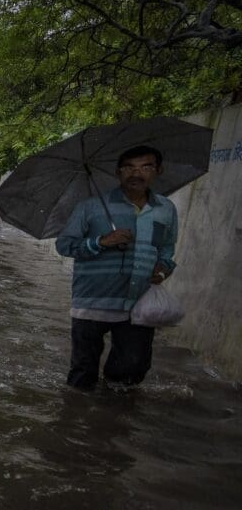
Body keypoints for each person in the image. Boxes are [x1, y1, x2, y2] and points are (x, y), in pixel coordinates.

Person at [54, 144, 177, 390]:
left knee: (131, 372)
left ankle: (111, 420)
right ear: (118, 173)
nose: (136, 173)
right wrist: (100, 242)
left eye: (145, 167)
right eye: (129, 168)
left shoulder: (166, 209)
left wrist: (163, 268)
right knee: (82, 375)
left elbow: (166, 248)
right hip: (91, 301)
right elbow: (64, 245)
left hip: (138, 303)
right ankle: (79, 421)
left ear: (158, 171)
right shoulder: (90, 207)